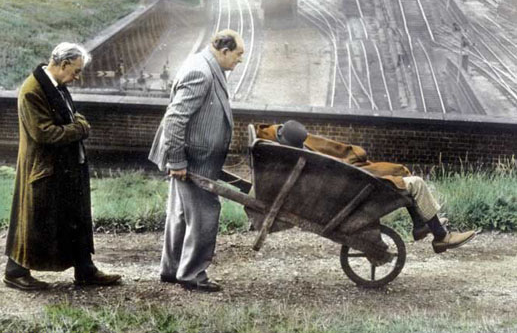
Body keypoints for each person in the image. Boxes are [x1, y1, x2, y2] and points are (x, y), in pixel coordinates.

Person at [257, 120, 476, 254]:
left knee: (401, 174)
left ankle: (421, 224)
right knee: (415, 183)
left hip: (344, 185)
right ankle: (440, 237)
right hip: (352, 187)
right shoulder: (304, 157)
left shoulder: (286, 150)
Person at [3, 42, 121, 291]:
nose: (77, 77)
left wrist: (76, 125)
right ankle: (15, 272)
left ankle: (85, 270)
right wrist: (79, 129)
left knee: (74, 218)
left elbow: (71, 118)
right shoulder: (32, 90)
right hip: (43, 168)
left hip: (64, 167)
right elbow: (44, 133)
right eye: (76, 71)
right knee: (32, 219)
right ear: (63, 64)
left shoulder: (56, 86)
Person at [149, 29, 244, 292]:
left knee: (180, 214)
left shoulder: (206, 65)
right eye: (238, 54)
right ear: (223, 51)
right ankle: (192, 274)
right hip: (192, 160)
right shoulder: (201, 73)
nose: (240, 60)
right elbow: (175, 119)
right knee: (204, 214)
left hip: (194, 157)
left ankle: (172, 269)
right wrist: (178, 161)